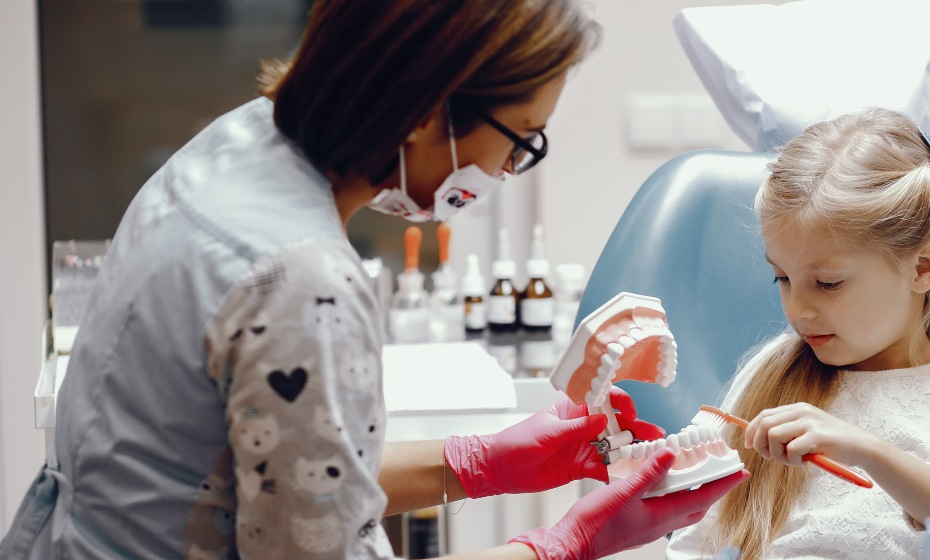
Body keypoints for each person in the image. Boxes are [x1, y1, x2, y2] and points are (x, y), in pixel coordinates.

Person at [0, 1, 746, 559]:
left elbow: (279, 485)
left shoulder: (231, 146)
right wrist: (565, 544)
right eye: (519, 141)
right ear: (428, 112)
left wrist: (476, 463)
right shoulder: (302, 281)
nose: (505, 172)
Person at [665, 108, 930, 559]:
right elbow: (695, 531)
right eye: (782, 278)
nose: (797, 309)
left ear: (922, 268)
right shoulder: (773, 370)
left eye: (828, 283)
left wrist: (867, 450)